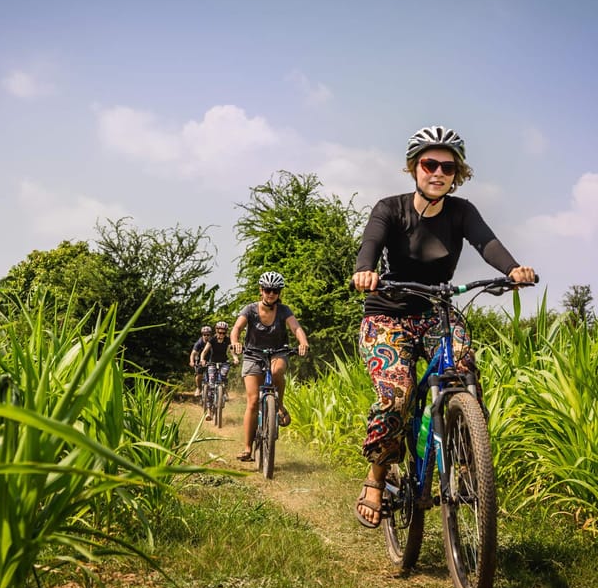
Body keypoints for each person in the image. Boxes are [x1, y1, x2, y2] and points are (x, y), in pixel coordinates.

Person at [351, 125, 536, 529]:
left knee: (465, 371)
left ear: (458, 173)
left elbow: (487, 244)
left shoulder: (462, 212)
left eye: (447, 167)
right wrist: (365, 271)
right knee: (397, 393)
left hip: (436, 313)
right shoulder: (389, 208)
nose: (438, 172)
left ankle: (470, 465)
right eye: (429, 164)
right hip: (387, 316)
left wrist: (512, 269)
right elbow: (370, 246)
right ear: (414, 168)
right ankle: (376, 477)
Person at [229, 271, 310, 462]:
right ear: (261, 290)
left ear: (279, 292)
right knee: (252, 401)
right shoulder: (249, 309)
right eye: (267, 290)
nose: (271, 293)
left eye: (275, 290)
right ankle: (248, 448)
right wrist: (235, 342)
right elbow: (237, 328)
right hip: (252, 354)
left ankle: (278, 404)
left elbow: (296, 328)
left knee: (277, 371)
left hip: (278, 352)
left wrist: (303, 342)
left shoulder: (284, 310)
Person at [199, 320, 240, 421]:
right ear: (216, 331)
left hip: (224, 362)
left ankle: (223, 391)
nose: (221, 334)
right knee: (211, 385)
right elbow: (204, 352)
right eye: (219, 332)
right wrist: (202, 359)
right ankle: (209, 411)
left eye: (224, 332)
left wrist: (235, 358)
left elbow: (232, 351)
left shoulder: (227, 340)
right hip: (212, 363)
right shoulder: (212, 340)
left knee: (223, 375)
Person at [188, 325, 213, 399]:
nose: (206, 336)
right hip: (200, 360)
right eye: (204, 334)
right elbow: (193, 353)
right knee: (199, 375)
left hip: (212, 359)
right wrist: (192, 362)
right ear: (202, 335)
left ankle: (222, 391)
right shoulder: (199, 343)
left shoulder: (213, 341)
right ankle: (199, 388)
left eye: (208, 334)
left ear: (210, 335)